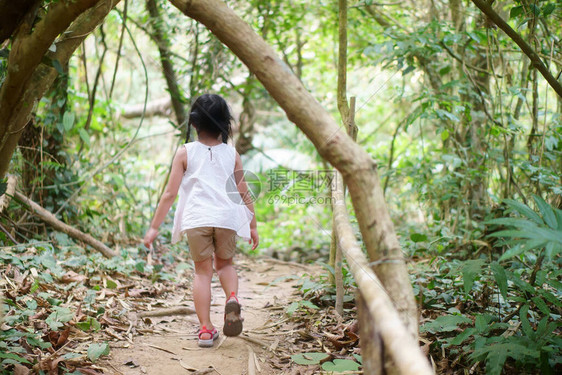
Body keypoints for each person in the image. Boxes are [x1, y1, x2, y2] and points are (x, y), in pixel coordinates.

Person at [143, 94, 259, 348]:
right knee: (225, 265)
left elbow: (170, 193)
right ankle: (233, 298)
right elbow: (243, 190)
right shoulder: (232, 154)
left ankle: (206, 330)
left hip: (196, 219)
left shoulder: (185, 152)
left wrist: (154, 228)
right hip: (226, 218)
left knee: (202, 273)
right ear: (224, 124)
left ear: (194, 124)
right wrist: (252, 224)